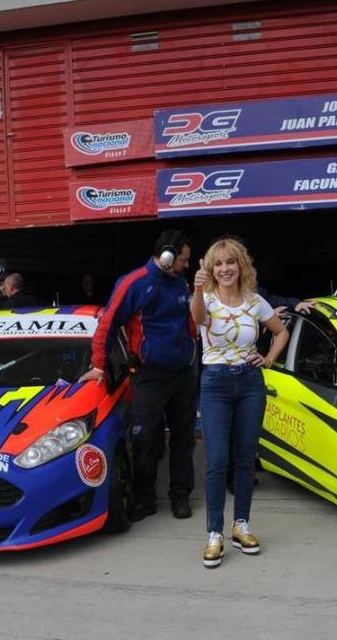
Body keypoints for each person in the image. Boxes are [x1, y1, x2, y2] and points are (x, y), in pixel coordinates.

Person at [80, 230, 198, 521]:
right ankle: (145, 498)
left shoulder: (181, 282)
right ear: (167, 256)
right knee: (146, 438)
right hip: (149, 376)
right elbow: (107, 324)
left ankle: (180, 495)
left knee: (183, 438)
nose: (186, 265)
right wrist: (98, 364)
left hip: (183, 373)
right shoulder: (134, 283)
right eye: (182, 259)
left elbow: (188, 321)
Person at [190, 237, 288, 568]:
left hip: (250, 381)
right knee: (217, 460)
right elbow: (197, 318)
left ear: (240, 264)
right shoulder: (205, 298)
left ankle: (241, 525)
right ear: (210, 269)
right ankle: (214, 533)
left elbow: (281, 331)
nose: (225, 268)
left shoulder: (254, 300)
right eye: (218, 264)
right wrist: (197, 289)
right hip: (215, 382)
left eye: (230, 262)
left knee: (246, 458)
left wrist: (270, 358)